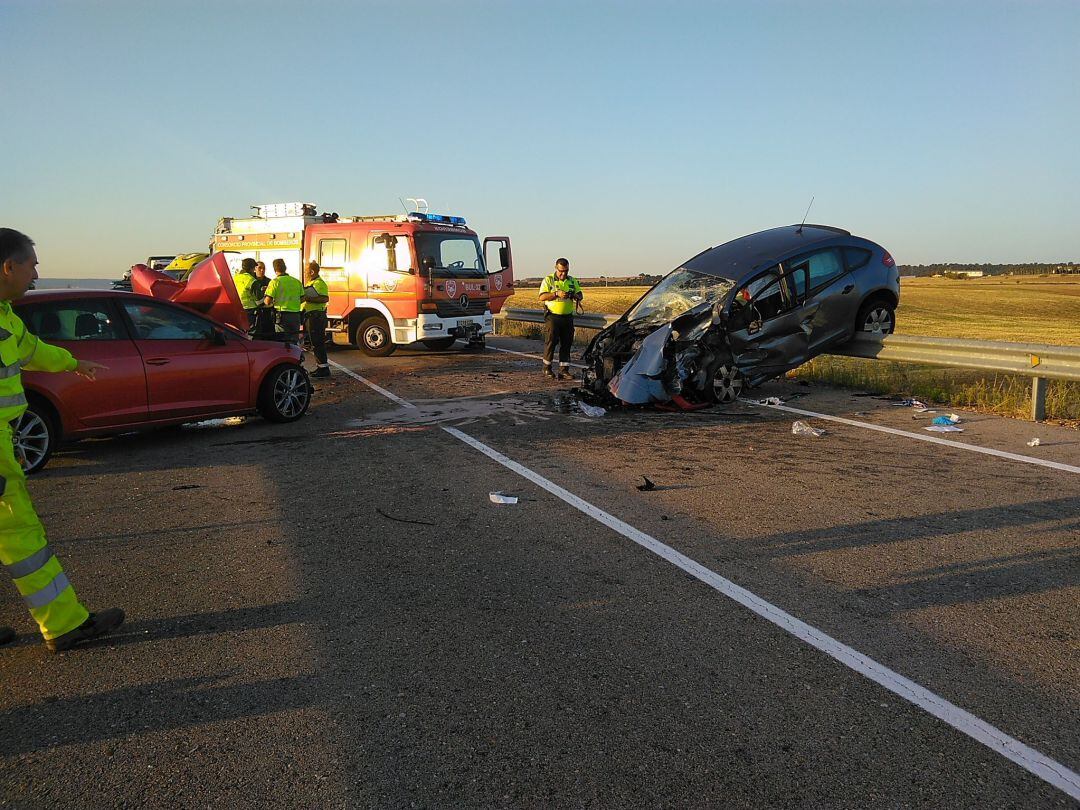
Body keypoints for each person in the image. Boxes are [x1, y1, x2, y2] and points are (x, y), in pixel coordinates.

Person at [0, 229, 124, 653]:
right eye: (32, 264)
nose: (37, 273)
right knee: (23, 538)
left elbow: (31, 348)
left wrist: (73, 363)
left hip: (5, 439)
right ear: (8, 267)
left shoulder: (5, 317)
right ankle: (66, 624)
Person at [538, 257, 583, 380]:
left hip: (567, 317)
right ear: (556, 268)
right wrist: (556, 294)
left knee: (567, 343)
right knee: (551, 341)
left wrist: (574, 295)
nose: (563, 274)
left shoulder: (572, 281)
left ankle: (564, 370)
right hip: (552, 316)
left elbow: (580, 295)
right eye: (561, 271)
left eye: (566, 271)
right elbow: (541, 297)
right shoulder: (549, 280)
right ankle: (547, 368)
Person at [263, 258, 303, 343]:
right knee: (294, 340)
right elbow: (303, 298)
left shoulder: (275, 282)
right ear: (285, 268)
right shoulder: (296, 281)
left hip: (281, 316)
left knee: (282, 341)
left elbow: (267, 301)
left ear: (275, 269)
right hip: (295, 315)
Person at [302, 260, 331, 378]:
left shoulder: (319, 283)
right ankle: (321, 367)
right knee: (316, 343)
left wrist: (308, 298)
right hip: (313, 316)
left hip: (316, 317)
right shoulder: (313, 283)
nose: (305, 273)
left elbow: (325, 298)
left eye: (306, 271)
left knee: (318, 343)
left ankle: (323, 370)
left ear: (312, 272)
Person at [234, 258, 260, 326]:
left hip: (237, 308)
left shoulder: (235, 277)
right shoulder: (252, 280)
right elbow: (259, 299)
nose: (254, 270)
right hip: (249, 309)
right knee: (251, 330)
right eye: (254, 268)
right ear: (251, 268)